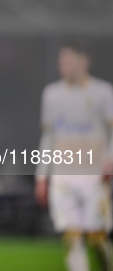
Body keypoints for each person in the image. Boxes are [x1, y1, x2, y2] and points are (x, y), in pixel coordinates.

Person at [35, 40, 113, 271]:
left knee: (96, 237)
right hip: (63, 175)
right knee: (71, 237)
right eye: (61, 60)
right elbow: (48, 138)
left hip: (94, 175)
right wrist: (41, 176)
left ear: (83, 61)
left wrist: (110, 159)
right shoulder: (51, 94)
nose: (63, 65)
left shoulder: (103, 92)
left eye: (68, 60)